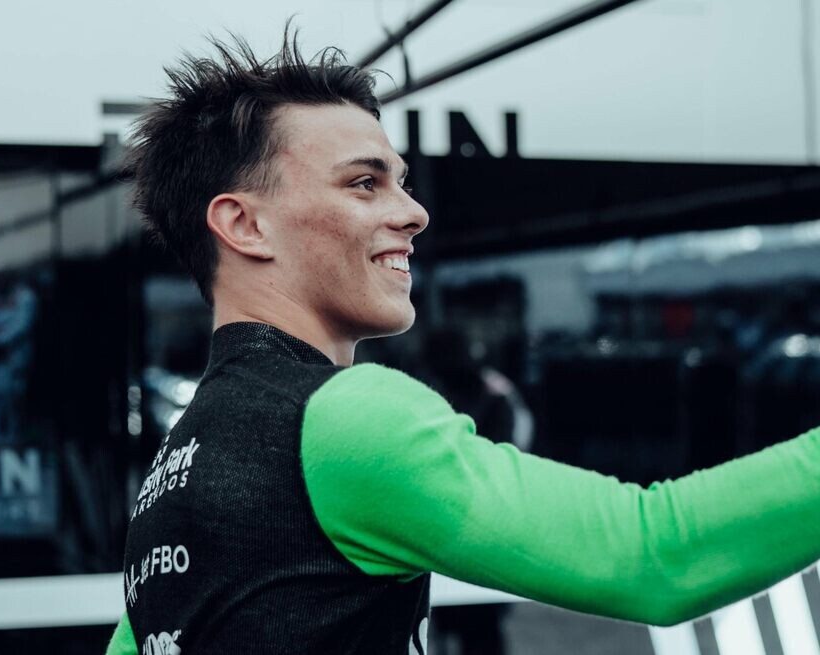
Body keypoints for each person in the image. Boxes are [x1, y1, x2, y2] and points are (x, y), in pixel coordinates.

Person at [106, 26, 820, 655]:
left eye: (401, 183)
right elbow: (652, 553)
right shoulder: (344, 417)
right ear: (244, 225)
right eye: (364, 184)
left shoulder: (172, 471)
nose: (413, 212)